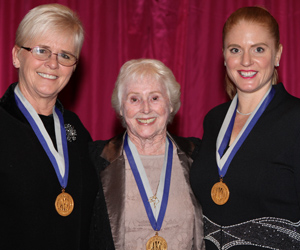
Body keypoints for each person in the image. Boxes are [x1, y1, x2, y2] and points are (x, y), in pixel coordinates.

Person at [190, 6, 300, 250]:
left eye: (258, 49)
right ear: (224, 56)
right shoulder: (214, 120)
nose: (246, 61)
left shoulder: (296, 120)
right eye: (235, 50)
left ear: (278, 54)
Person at [0, 4, 100, 249]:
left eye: (65, 55)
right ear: (16, 55)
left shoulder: (76, 130)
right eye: (42, 50)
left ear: (73, 67)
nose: (53, 63)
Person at [89, 59, 205, 250]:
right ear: (121, 107)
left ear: (170, 105)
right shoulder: (95, 160)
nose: (145, 109)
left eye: (154, 98)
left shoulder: (198, 155)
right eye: (134, 99)